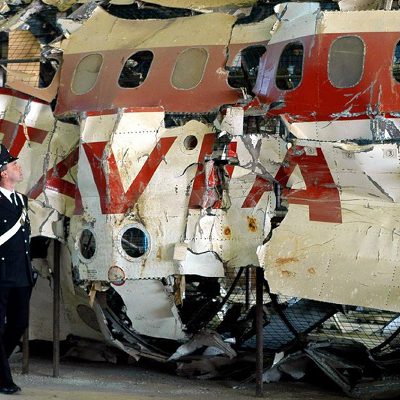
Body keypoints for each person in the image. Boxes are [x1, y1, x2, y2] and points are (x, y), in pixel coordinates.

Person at [0, 144, 33, 394]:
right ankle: (4, 379)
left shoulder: (22, 200)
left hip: (21, 274)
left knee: (19, 323)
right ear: (3, 172)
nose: (18, 168)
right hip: (1, 274)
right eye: (13, 165)